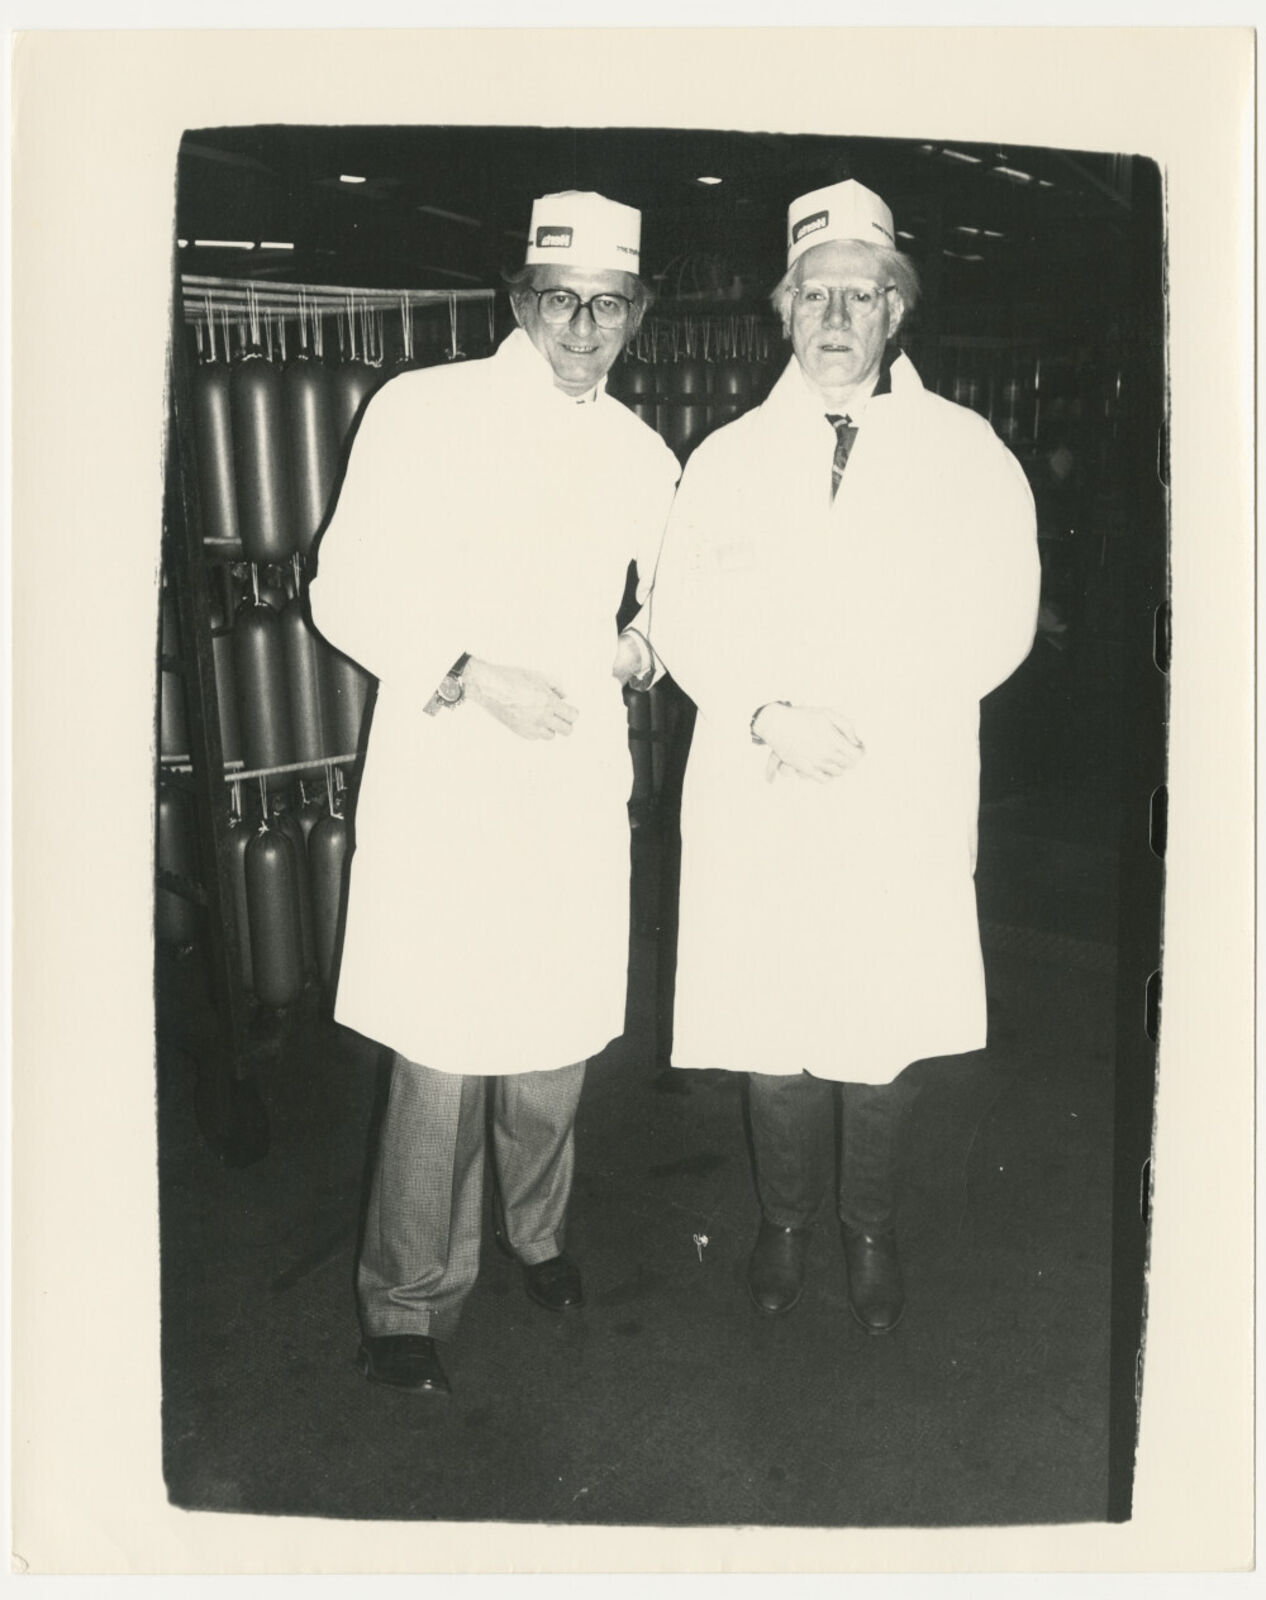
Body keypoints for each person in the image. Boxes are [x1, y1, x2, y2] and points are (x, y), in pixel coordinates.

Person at [647, 179, 1040, 1333]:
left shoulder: (967, 452)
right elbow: (682, 617)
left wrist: (869, 715)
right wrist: (768, 713)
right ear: (783, 309)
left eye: (860, 296)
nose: (834, 316)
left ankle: (869, 1228)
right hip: (762, 777)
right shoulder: (725, 459)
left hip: (892, 782)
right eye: (814, 294)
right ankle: (784, 1220)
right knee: (770, 1027)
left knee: (878, 1028)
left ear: (894, 311)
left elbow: (1001, 620)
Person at [309, 191, 680, 1394]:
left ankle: (539, 1231)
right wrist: (469, 672)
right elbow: (342, 586)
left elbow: (681, 595)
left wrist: (649, 642)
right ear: (520, 301)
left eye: (608, 306)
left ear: (635, 316)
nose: (582, 328)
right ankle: (408, 1295)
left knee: (554, 1033)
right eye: (561, 300)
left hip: (568, 775)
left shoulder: (643, 453)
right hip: (454, 770)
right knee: (444, 1043)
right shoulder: (423, 412)